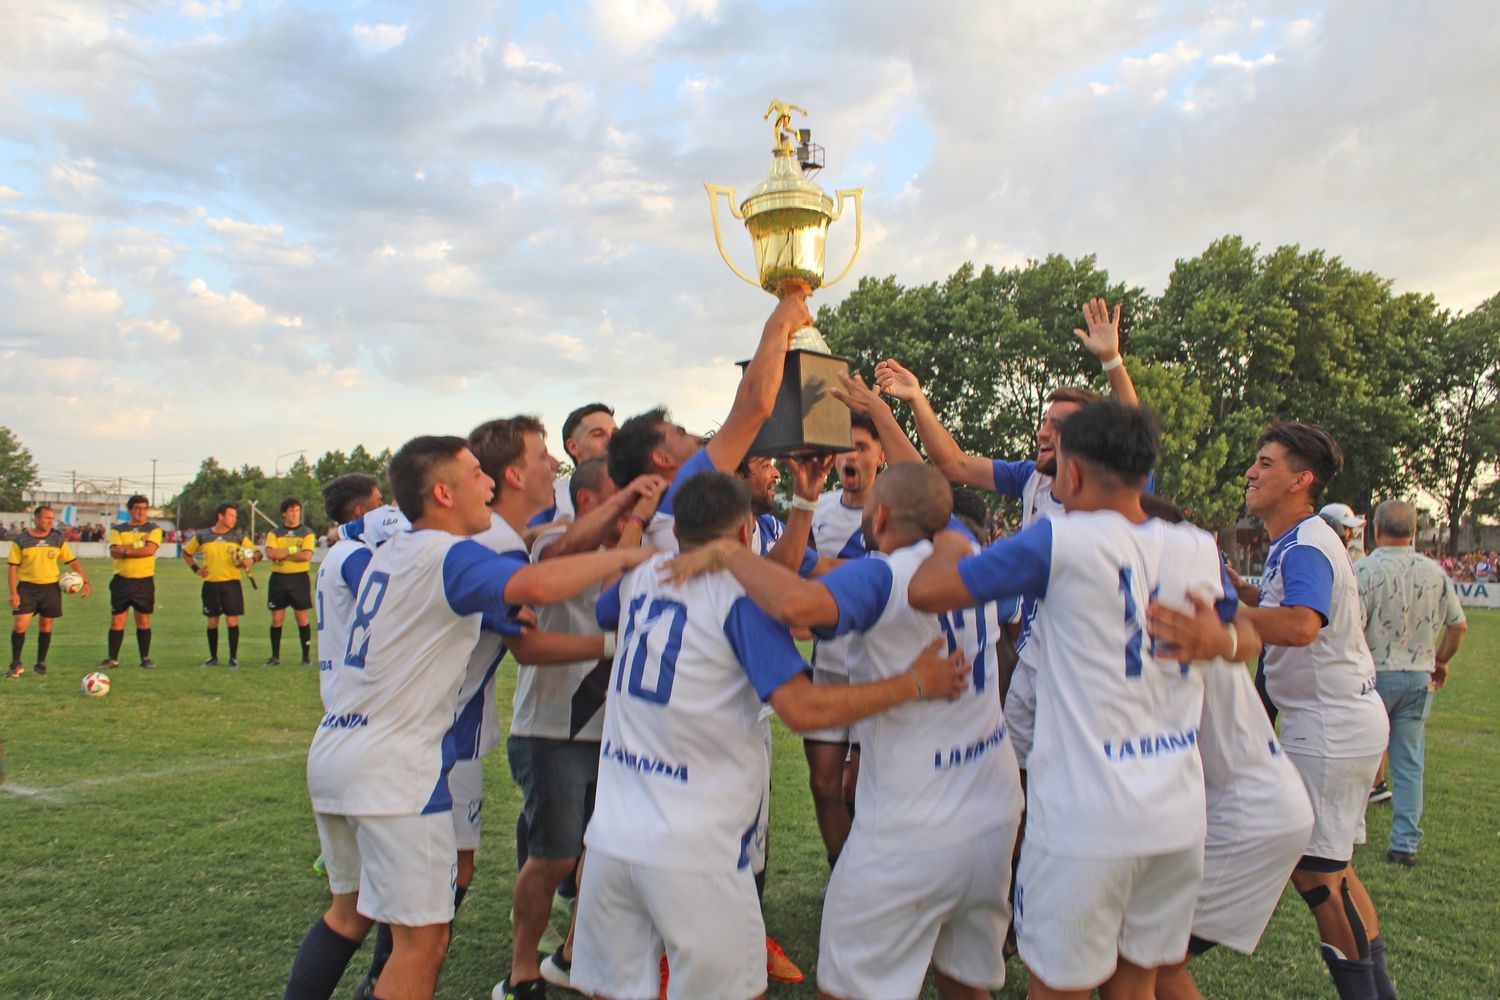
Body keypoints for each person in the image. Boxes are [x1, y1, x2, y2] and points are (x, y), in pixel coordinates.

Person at [569, 469, 968, 1000]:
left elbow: (605, 600)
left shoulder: (643, 576)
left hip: (610, 843)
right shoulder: (740, 598)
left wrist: (637, 522)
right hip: (695, 848)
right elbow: (804, 709)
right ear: (745, 532)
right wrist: (914, 682)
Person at [283, 435, 656, 1000]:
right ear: (442, 492)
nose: (488, 483)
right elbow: (529, 581)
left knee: (346, 916)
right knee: (422, 943)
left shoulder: (399, 550)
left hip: (337, 749)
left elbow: (517, 566)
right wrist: (629, 554)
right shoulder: (450, 554)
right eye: (477, 474)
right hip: (397, 769)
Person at [908, 401, 1251, 1000]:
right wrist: (1219, 638)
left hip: (1086, 819)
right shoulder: (1196, 544)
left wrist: (948, 535)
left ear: (1071, 473)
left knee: (1060, 987)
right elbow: (1245, 634)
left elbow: (928, 591)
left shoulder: (1059, 538)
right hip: (1175, 810)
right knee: (1136, 985)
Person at [667, 463, 1025, 1000]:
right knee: (967, 981)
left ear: (878, 516)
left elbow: (795, 605)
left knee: (850, 988)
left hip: (914, 823)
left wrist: (730, 551)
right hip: (993, 810)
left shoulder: (885, 573)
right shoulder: (969, 561)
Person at [1234, 423, 1396, 1000]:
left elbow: (1302, 624)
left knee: (1319, 877)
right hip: (1339, 718)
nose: (1251, 473)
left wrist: (1222, 620)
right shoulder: (1301, 540)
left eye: (1265, 464)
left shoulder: (1305, 543)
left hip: (1327, 725)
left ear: (1301, 480)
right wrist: (1240, 593)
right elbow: (1288, 606)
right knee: (1336, 872)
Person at [500, 456, 670, 998]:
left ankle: (572, 954)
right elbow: (563, 555)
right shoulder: (555, 538)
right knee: (552, 855)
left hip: (618, 729)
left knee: (605, 848)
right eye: (624, 490)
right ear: (595, 498)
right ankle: (520, 970)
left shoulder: (642, 544)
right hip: (553, 726)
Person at [1139, 495, 1314, 1000]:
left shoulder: (1172, 617)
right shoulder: (1192, 605)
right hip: (1256, 798)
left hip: (1247, 813)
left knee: (1146, 963)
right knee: (1143, 960)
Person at [606, 286, 811, 555]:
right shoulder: (680, 490)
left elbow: (743, 406)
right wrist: (780, 322)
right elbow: (755, 406)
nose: (697, 437)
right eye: (680, 433)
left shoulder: (658, 513)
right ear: (663, 459)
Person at [1355, 499, 1468, 868]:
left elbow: (1353, 625)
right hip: (1418, 674)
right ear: (1415, 532)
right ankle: (1404, 842)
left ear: (1375, 529)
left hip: (1374, 675)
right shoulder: (1434, 572)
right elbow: (1458, 624)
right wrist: (1441, 660)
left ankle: (1351, 831)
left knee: (1359, 756)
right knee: (1408, 762)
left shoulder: (1365, 570)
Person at [802, 412, 886, 875]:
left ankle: (872, 875)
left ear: (881, 454)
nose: (850, 457)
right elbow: (801, 568)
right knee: (823, 784)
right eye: (844, 448)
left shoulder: (896, 509)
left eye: (861, 446)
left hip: (877, 669)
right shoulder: (818, 508)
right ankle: (843, 872)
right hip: (830, 666)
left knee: (865, 787)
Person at [313, 474, 384, 709]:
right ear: (360, 513)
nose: (384, 511)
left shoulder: (339, 552)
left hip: (340, 683)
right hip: (357, 688)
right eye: (378, 504)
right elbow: (385, 606)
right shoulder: (355, 554)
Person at [7, 505, 90, 679]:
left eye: (52, 518)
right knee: (20, 624)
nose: (50, 521)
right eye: (46, 518)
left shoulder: (56, 539)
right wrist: (14, 592)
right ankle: (16, 664)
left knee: (46, 625)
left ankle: (41, 663)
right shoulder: (21, 540)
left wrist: (86, 581)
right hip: (27, 588)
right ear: (36, 518)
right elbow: (13, 568)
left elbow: (72, 562)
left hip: (50, 588)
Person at [529, 403, 617, 526]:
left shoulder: (644, 489)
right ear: (573, 447)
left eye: (615, 433)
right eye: (598, 434)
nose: (610, 440)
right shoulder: (554, 496)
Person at [101, 495, 161, 670]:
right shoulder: (117, 529)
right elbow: (114, 552)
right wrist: (137, 547)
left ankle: (145, 658)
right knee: (117, 620)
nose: (141, 511)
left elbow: (149, 550)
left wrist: (126, 550)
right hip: (122, 580)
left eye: (144, 508)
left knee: (143, 619)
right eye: (137, 508)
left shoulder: (154, 529)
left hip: (144, 580)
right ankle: (112, 658)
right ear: (130, 511)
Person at [265, 497, 318, 666]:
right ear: (284, 513)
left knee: (302, 617)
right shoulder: (274, 533)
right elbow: (271, 554)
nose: (295, 514)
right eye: (291, 510)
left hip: (299, 579)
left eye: (297, 510)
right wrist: (293, 549)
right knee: (276, 618)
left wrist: (283, 554)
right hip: (278, 579)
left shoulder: (307, 532)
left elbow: (306, 555)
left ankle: (306, 657)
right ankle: (275, 657)